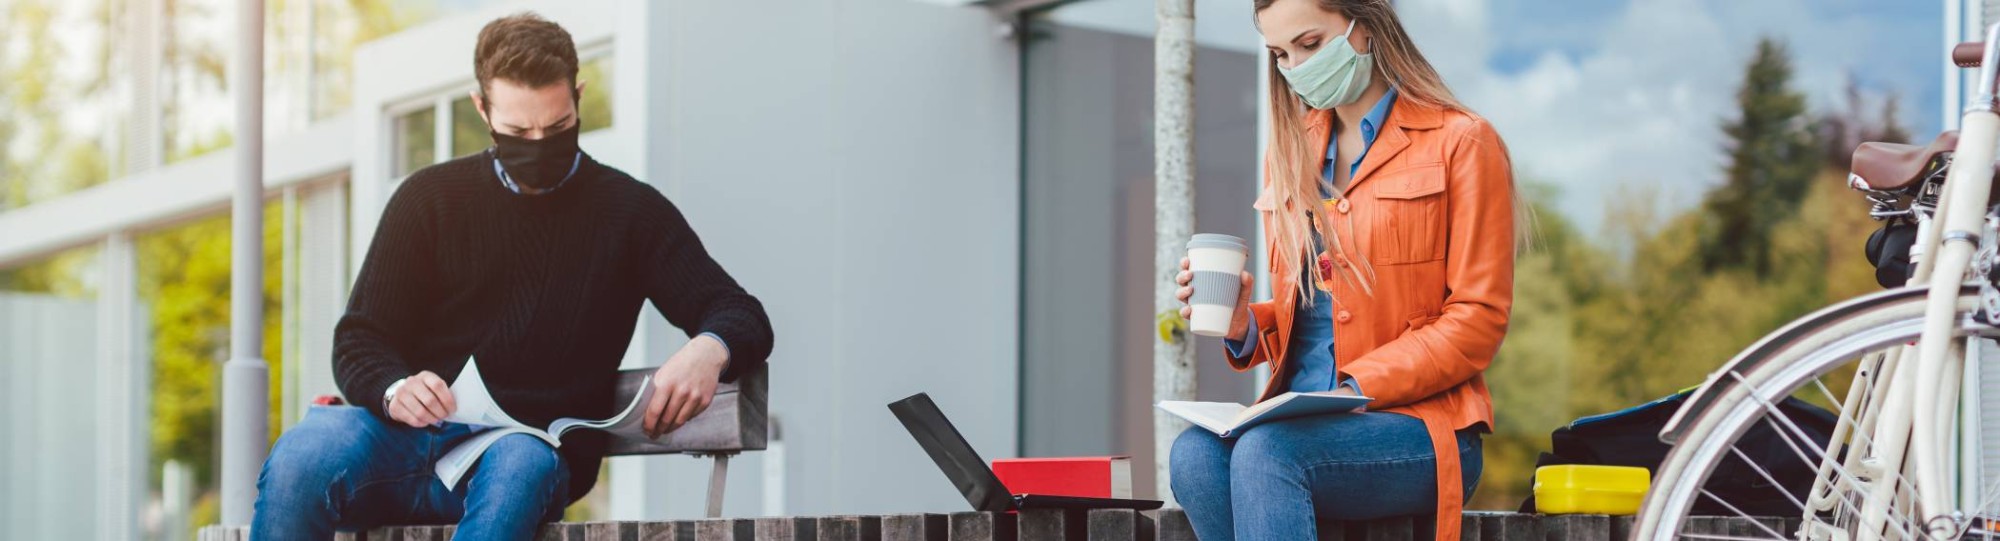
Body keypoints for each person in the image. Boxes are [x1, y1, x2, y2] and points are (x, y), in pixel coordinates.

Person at [249, 12, 774, 540]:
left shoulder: (630, 213)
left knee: (523, 462)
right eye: (519, 131)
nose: (540, 143)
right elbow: (360, 340)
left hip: (516, 458)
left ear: (578, 95)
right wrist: (395, 388)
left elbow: (740, 313)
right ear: (482, 107)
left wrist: (710, 348)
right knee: (305, 452)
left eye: (558, 126)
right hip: (398, 443)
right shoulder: (428, 200)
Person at [1169, 0, 1515, 539]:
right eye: (1281, 54)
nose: (1298, 67)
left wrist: (1355, 387)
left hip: (1421, 428)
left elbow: (1478, 320)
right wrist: (1245, 326)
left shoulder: (1462, 141)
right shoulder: (1289, 151)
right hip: (1300, 423)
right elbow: (1315, 312)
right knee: (1194, 454)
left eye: (1310, 44)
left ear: (1366, 26)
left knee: (1267, 453)